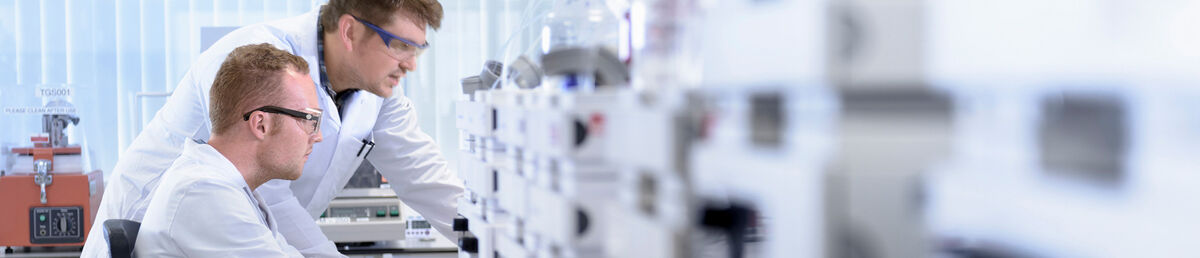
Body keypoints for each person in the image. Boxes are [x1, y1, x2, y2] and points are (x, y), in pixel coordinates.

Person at [82, 1, 463, 257]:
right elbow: (273, 197)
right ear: (349, 32)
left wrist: (493, 241)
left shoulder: (375, 89)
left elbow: (426, 179)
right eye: (399, 45)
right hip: (169, 232)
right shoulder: (259, 62)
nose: (411, 64)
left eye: (417, 49)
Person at [134, 43, 320, 257]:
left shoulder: (228, 187)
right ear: (261, 124)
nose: (318, 136)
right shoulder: (204, 191)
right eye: (308, 119)